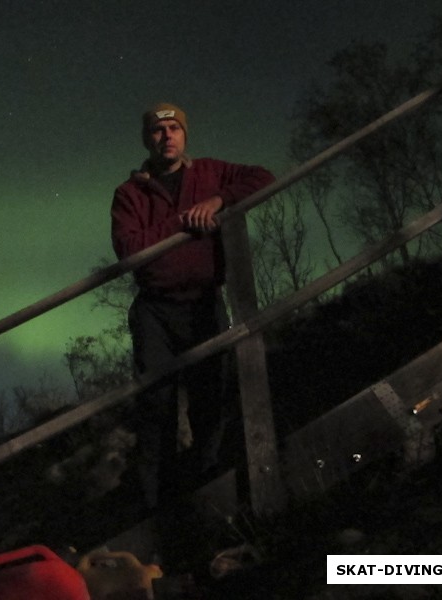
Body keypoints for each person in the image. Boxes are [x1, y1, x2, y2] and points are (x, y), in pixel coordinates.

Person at [110, 102, 275, 566]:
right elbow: (130, 249)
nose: (167, 137)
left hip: (205, 302)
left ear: (185, 135)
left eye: (174, 128)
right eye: (158, 130)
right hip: (156, 313)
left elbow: (262, 176)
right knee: (157, 410)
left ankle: (209, 492)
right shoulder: (128, 193)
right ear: (147, 139)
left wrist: (218, 201)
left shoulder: (210, 172)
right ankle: (156, 514)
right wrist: (184, 222)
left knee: (211, 399)